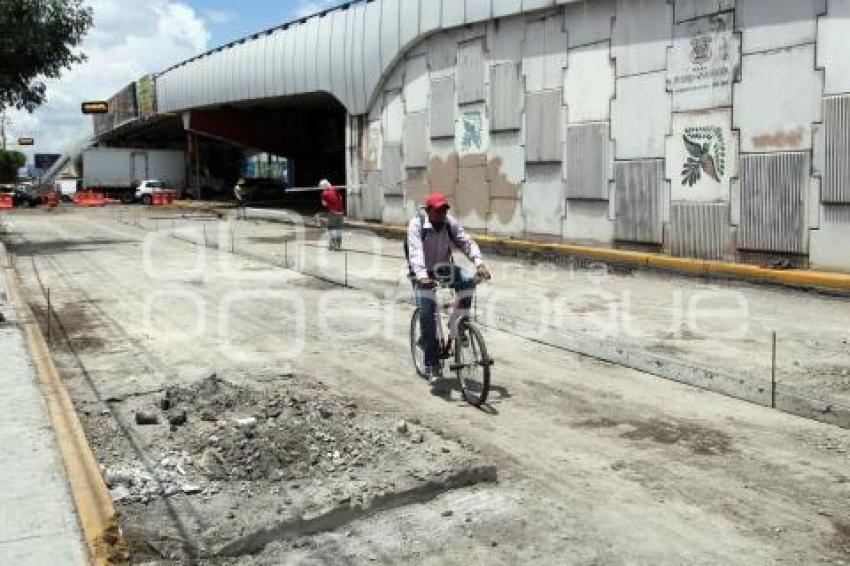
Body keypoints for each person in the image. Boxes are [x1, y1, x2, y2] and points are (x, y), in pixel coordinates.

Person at [407, 192, 491, 384]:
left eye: (444, 210)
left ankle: (458, 322)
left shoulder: (449, 222)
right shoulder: (417, 225)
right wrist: (421, 276)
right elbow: (415, 253)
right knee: (428, 313)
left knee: (469, 280)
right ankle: (432, 365)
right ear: (428, 211)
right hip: (422, 273)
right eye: (437, 211)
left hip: (444, 268)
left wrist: (479, 263)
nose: (442, 214)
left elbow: (465, 241)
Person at [319, 179, 344, 251]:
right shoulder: (336, 190)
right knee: (338, 229)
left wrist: (327, 201)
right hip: (341, 213)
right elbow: (341, 198)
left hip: (333, 213)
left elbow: (324, 204)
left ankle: (332, 245)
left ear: (323, 186)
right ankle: (338, 246)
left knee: (330, 229)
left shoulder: (324, 193)